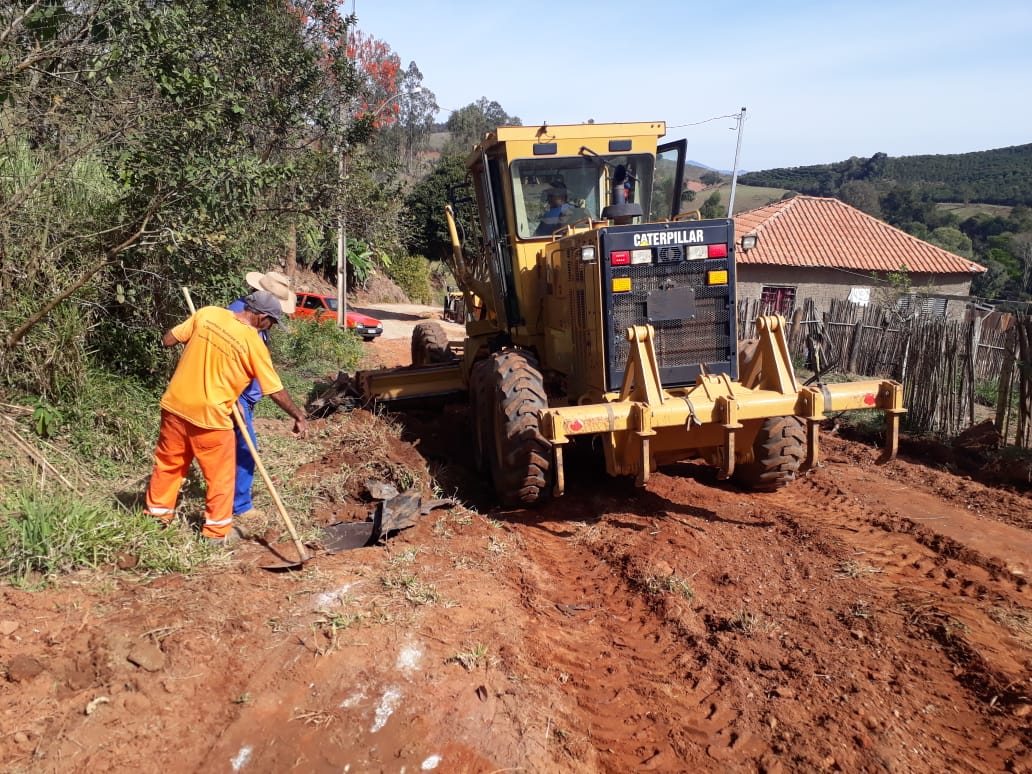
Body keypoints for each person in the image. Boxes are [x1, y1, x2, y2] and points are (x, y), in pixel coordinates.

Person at [143, 290, 308, 545]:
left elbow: (168, 340)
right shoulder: (253, 343)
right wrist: (297, 415)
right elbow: (274, 389)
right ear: (262, 317)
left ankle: (156, 517)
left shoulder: (208, 313)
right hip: (210, 418)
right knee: (220, 476)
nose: (271, 328)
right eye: (272, 323)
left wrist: (201, 342)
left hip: (175, 406)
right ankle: (215, 533)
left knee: (169, 464)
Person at [227, 271, 296, 524]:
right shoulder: (239, 318)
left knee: (236, 449)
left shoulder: (255, 317)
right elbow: (228, 361)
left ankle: (230, 497)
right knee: (247, 449)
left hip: (246, 395)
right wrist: (235, 396)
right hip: (237, 396)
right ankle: (240, 505)